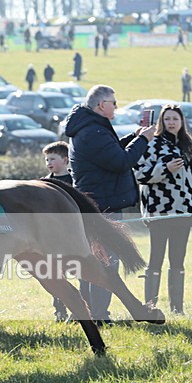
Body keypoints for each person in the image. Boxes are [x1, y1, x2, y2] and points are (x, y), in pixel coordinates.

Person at [64, 85, 155, 323]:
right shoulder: (93, 131)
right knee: (106, 263)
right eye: (113, 102)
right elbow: (121, 161)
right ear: (101, 105)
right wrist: (143, 140)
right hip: (102, 207)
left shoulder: (90, 127)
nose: (116, 106)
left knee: (93, 262)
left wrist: (133, 137)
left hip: (96, 204)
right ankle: (99, 315)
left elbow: (110, 150)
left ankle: (88, 313)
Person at [133, 104, 192, 314]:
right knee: (156, 258)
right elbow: (140, 175)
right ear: (161, 122)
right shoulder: (152, 144)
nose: (171, 122)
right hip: (159, 211)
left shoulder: (189, 145)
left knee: (178, 259)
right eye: (167, 119)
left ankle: (177, 307)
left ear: (182, 121)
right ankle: (150, 306)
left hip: (184, 211)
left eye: (175, 118)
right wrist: (164, 169)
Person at [40, 141, 73, 322]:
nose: (49, 163)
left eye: (52, 158)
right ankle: (60, 311)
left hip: (70, 236)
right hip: (51, 238)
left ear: (66, 160)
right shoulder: (44, 183)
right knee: (56, 275)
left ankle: (80, 308)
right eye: (46, 160)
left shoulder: (74, 181)